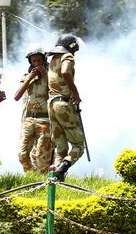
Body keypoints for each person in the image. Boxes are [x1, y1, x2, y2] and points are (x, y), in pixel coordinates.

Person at [46, 34, 85, 181]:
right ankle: (64, 167)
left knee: (61, 148)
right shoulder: (67, 56)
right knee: (78, 146)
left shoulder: (53, 59)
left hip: (51, 104)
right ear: (71, 47)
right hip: (63, 104)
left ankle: (55, 179)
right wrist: (75, 93)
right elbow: (65, 71)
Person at [13, 44, 52, 173]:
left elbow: (52, 93)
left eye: (39, 60)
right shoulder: (26, 76)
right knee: (22, 154)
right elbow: (16, 96)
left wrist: (45, 76)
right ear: (29, 61)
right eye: (33, 61)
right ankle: (31, 177)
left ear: (44, 60)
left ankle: (43, 181)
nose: (36, 63)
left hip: (45, 121)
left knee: (41, 155)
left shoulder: (51, 75)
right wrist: (29, 78)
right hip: (28, 120)